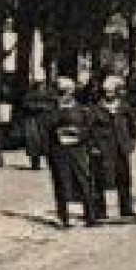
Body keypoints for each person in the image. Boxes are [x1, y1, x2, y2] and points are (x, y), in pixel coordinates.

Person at [47, 77, 102, 228]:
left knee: (84, 181)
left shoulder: (82, 109)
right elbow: (47, 125)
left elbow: (90, 128)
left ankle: (90, 216)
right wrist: (59, 111)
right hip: (59, 151)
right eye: (60, 91)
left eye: (65, 91)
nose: (63, 94)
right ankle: (63, 217)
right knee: (61, 182)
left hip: (78, 149)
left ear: (72, 92)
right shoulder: (53, 108)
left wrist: (79, 134)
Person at [90, 74, 136, 219]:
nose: (108, 94)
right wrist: (94, 146)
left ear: (117, 91)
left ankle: (126, 209)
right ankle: (99, 211)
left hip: (121, 148)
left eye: (111, 91)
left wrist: (131, 144)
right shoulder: (96, 108)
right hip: (104, 149)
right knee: (100, 179)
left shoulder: (124, 107)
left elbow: (133, 127)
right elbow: (90, 130)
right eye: (106, 92)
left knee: (124, 179)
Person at [15, 82, 56, 171]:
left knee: (46, 141)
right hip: (33, 120)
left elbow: (53, 104)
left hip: (45, 120)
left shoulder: (50, 93)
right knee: (33, 141)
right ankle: (35, 163)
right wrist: (40, 107)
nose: (41, 86)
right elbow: (26, 105)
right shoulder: (30, 94)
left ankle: (50, 163)